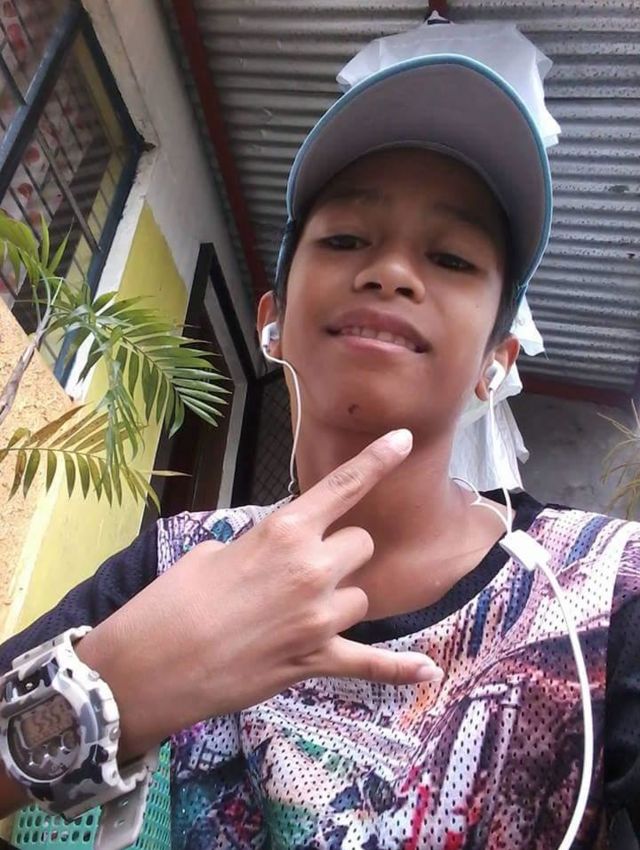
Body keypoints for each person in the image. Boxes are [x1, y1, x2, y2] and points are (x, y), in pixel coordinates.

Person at [1, 21, 640, 850]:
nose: (392, 271)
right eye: (344, 240)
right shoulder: (175, 563)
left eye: (451, 258)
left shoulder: (605, 592)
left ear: (498, 360)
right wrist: (114, 687)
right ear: (271, 322)